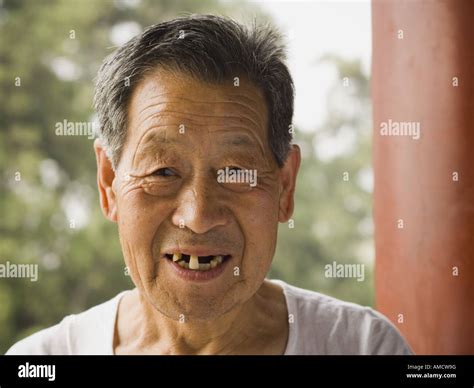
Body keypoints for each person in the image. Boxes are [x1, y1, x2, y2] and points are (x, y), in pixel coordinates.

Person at [6, 14, 412, 355]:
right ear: (109, 183)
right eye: (163, 172)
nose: (198, 216)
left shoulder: (362, 346)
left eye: (236, 172)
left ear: (285, 187)